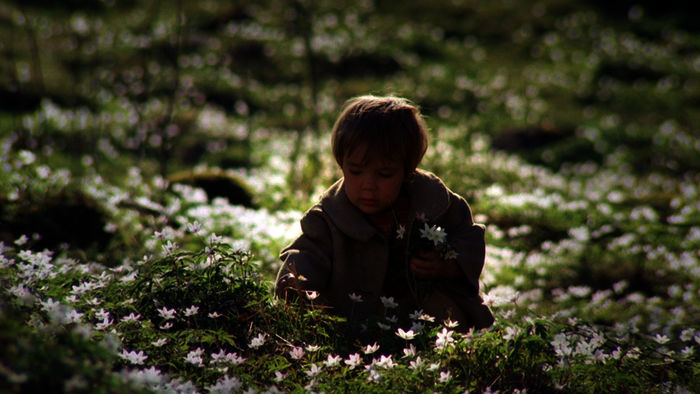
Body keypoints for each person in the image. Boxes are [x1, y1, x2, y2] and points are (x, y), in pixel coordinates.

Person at [275, 95, 494, 331]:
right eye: (356, 171)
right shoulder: (328, 217)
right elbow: (304, 257)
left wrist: (445, 265)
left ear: (408, 170)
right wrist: (297, 288)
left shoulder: (434, 202)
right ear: (342, 164)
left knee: (452, 322)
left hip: (423, 319)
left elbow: (468, 239)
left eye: (385, 174)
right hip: (354, 325)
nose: (368, 185)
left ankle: (453, 353)